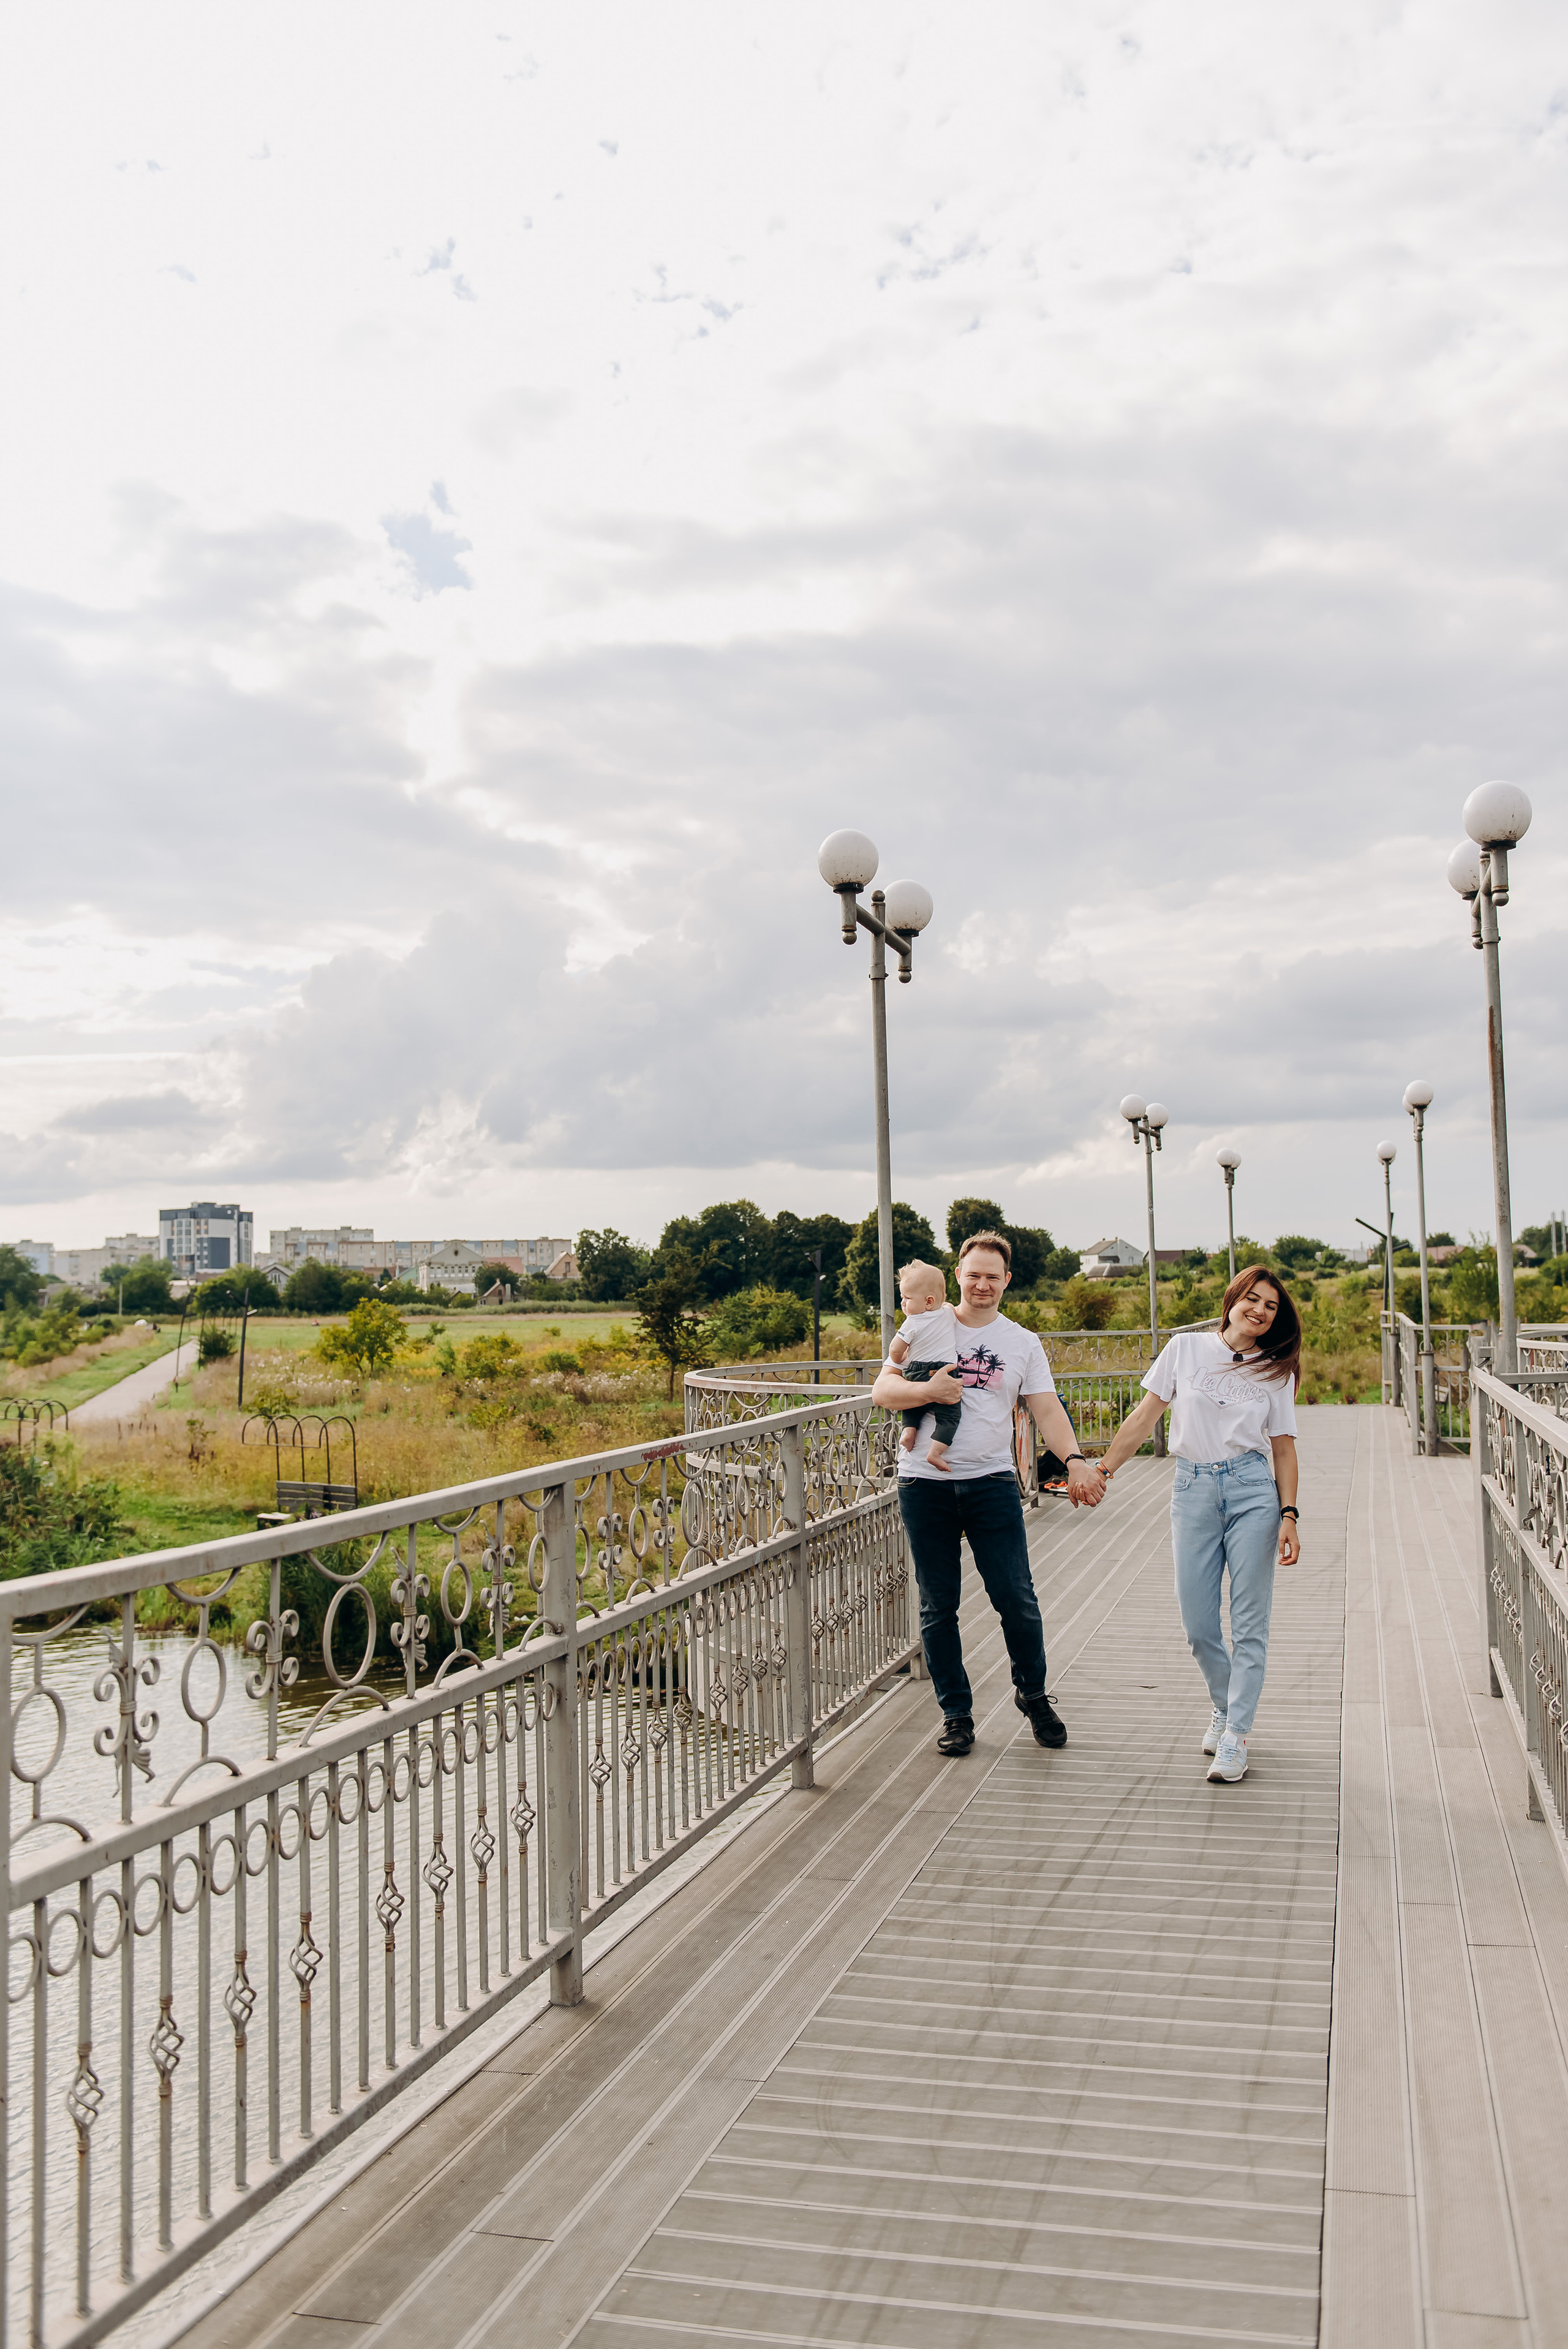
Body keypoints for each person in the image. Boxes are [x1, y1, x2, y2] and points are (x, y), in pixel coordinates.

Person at [872, 1230, 1105, 1757]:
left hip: (992, 1482)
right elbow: (883, 1390)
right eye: (973, 1274)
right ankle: (956, 1713)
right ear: (957, 1276)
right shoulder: (928, 1320)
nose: (982, 1284)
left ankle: (1033, 1694)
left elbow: (1046, 1409)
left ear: (1006, 1281)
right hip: (924, 1483)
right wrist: (927, 1392)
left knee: (1016, 1599)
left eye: (992, 1277)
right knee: (939, 1606)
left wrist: (1074, 1461)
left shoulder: (1021, 1342)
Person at [1097, 1265, 1301, 1783]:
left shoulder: (1276, 1370)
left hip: (1254, 1491)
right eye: (1251, 1299)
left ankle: (1236, 1736)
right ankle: (1226, 1706)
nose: (1258, 1311)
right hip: (1193, 1489)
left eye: (1270, 1306)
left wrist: (1289, 1514)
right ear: (1233, 1299)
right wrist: (1103, 1471)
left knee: (1250, 1622)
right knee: (1199, 1624)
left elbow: (1283, 1447)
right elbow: (1144, 1418)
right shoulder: (1183, 1350)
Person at [888, 1259, 963, 1471]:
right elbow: (948, 1306)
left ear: (928, 1301)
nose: (903, 1303)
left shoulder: (912, 1322)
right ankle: (936, 1452)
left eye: (907, 1298)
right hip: (945, 1372)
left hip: (916, 1371)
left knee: (912, 1403)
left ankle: (909, 1431)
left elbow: (895, 1352)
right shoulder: (948, 1313)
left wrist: (902, 1356)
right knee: (950, 1416)